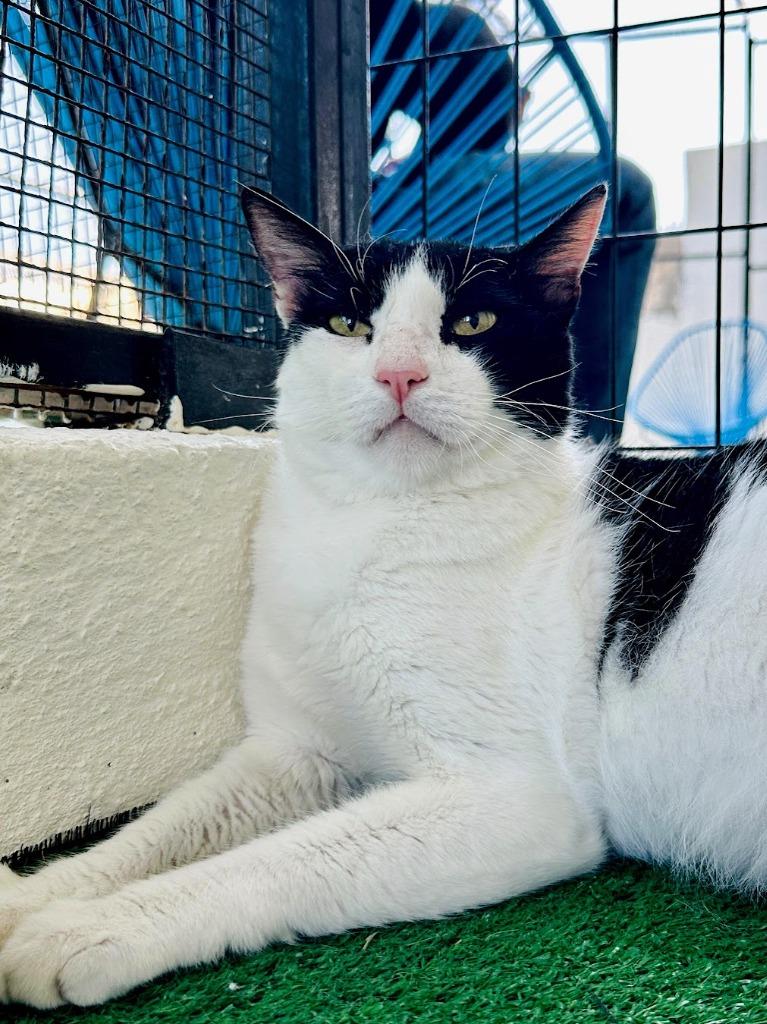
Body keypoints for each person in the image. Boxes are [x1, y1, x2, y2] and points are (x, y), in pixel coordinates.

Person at [370, 0, 656, 440]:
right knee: (628, 190)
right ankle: (590, 444)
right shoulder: (439, 25)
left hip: (403, 177)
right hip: (403, 189)